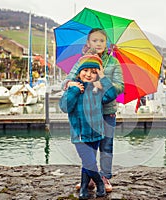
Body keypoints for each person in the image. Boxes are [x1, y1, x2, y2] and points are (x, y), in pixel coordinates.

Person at [62, 28, 124, 193]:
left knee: (106, 146)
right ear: (88, 43)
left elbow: (120, 86)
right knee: (88, 147)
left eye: (101, 41)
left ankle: (104, 177)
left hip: (106, 110)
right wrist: (70, 84)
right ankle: (89, 178)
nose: (98, 43)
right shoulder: (82, 60)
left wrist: (102, 81)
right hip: (85, 112)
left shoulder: (113, 62)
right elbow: (68, 79)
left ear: (107, 44)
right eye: (94, 40)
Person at [64, 54, 117, 199]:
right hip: (80, 134)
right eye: (85, 70)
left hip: (96, 132)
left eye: (94, 72)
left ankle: (83, 188)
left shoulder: (97, 90)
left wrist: (102, 78)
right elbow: (65, 107)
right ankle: (99, 182)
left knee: (88, 161)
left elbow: (112, 94)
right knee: (89, 160)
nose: (89, 74)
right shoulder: (75, 87)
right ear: (79, 71)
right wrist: (72, 87)